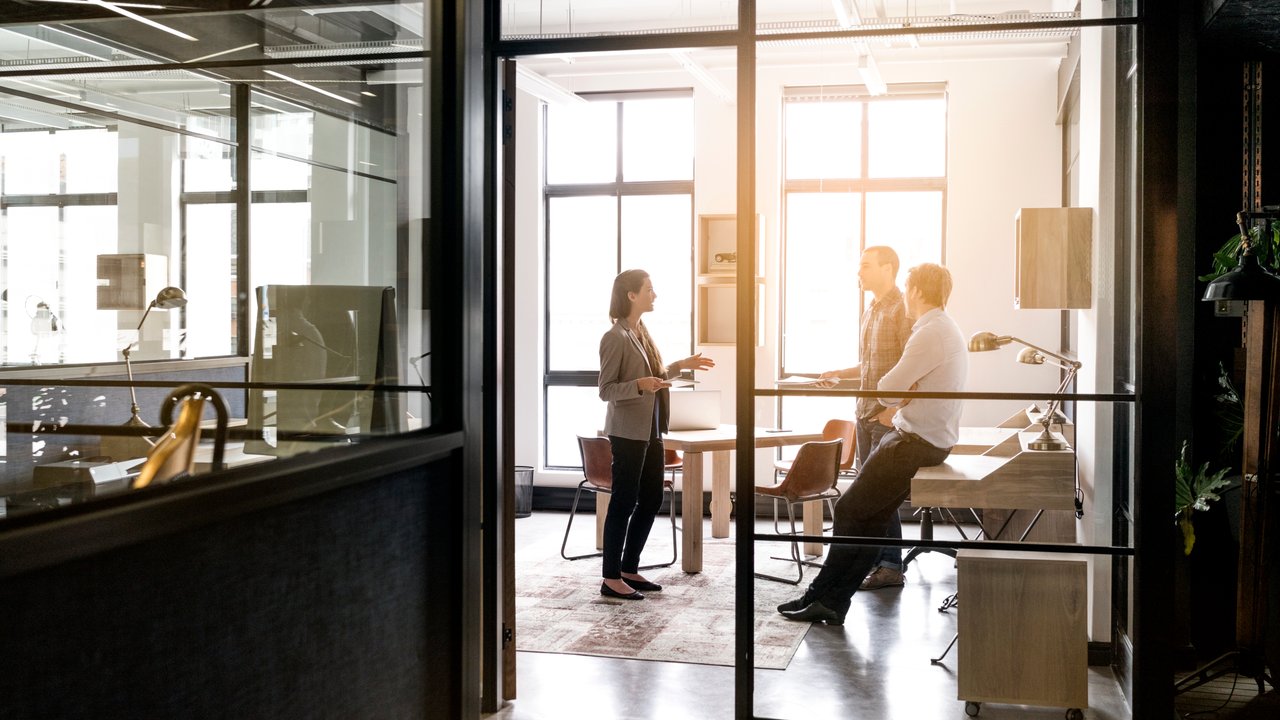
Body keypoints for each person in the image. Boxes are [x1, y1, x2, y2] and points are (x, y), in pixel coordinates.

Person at [778, 263, 966, 625]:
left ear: (916, 291)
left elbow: (886, 388)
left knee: (849, 510)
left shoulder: (930, 333)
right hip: (921, 438)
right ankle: (827, 599)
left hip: (912, 441)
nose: (906, 295)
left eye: (908, 288)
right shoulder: (941, 328)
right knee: (870, 518)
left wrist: (899, 393)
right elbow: (895, 387)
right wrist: (903, 391)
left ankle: (823, 596)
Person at [598, 269, 715, 600]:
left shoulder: (641, 332)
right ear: (631, 295)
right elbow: (606, 390)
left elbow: (656, 376)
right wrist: (639, 385)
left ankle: (628, 568)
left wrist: (681, 365)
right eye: (649, 289)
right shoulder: (615, 337)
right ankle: (610, 578)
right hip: (627, 432)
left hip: (651, 428)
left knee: (651, 498)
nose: (655, 295)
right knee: (623, 501)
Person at [815, 246, 912, 591]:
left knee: (881, 493)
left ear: (888, 268)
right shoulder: (871, 309)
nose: (859, 273)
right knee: (871, 494)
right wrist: (840, 373)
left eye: (866, 266)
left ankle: (891, 566)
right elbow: (870, 365)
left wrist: (894, 410)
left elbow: (911, 366)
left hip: (884, 418)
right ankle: (876, 560)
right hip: (864, 413)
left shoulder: (902, 310)